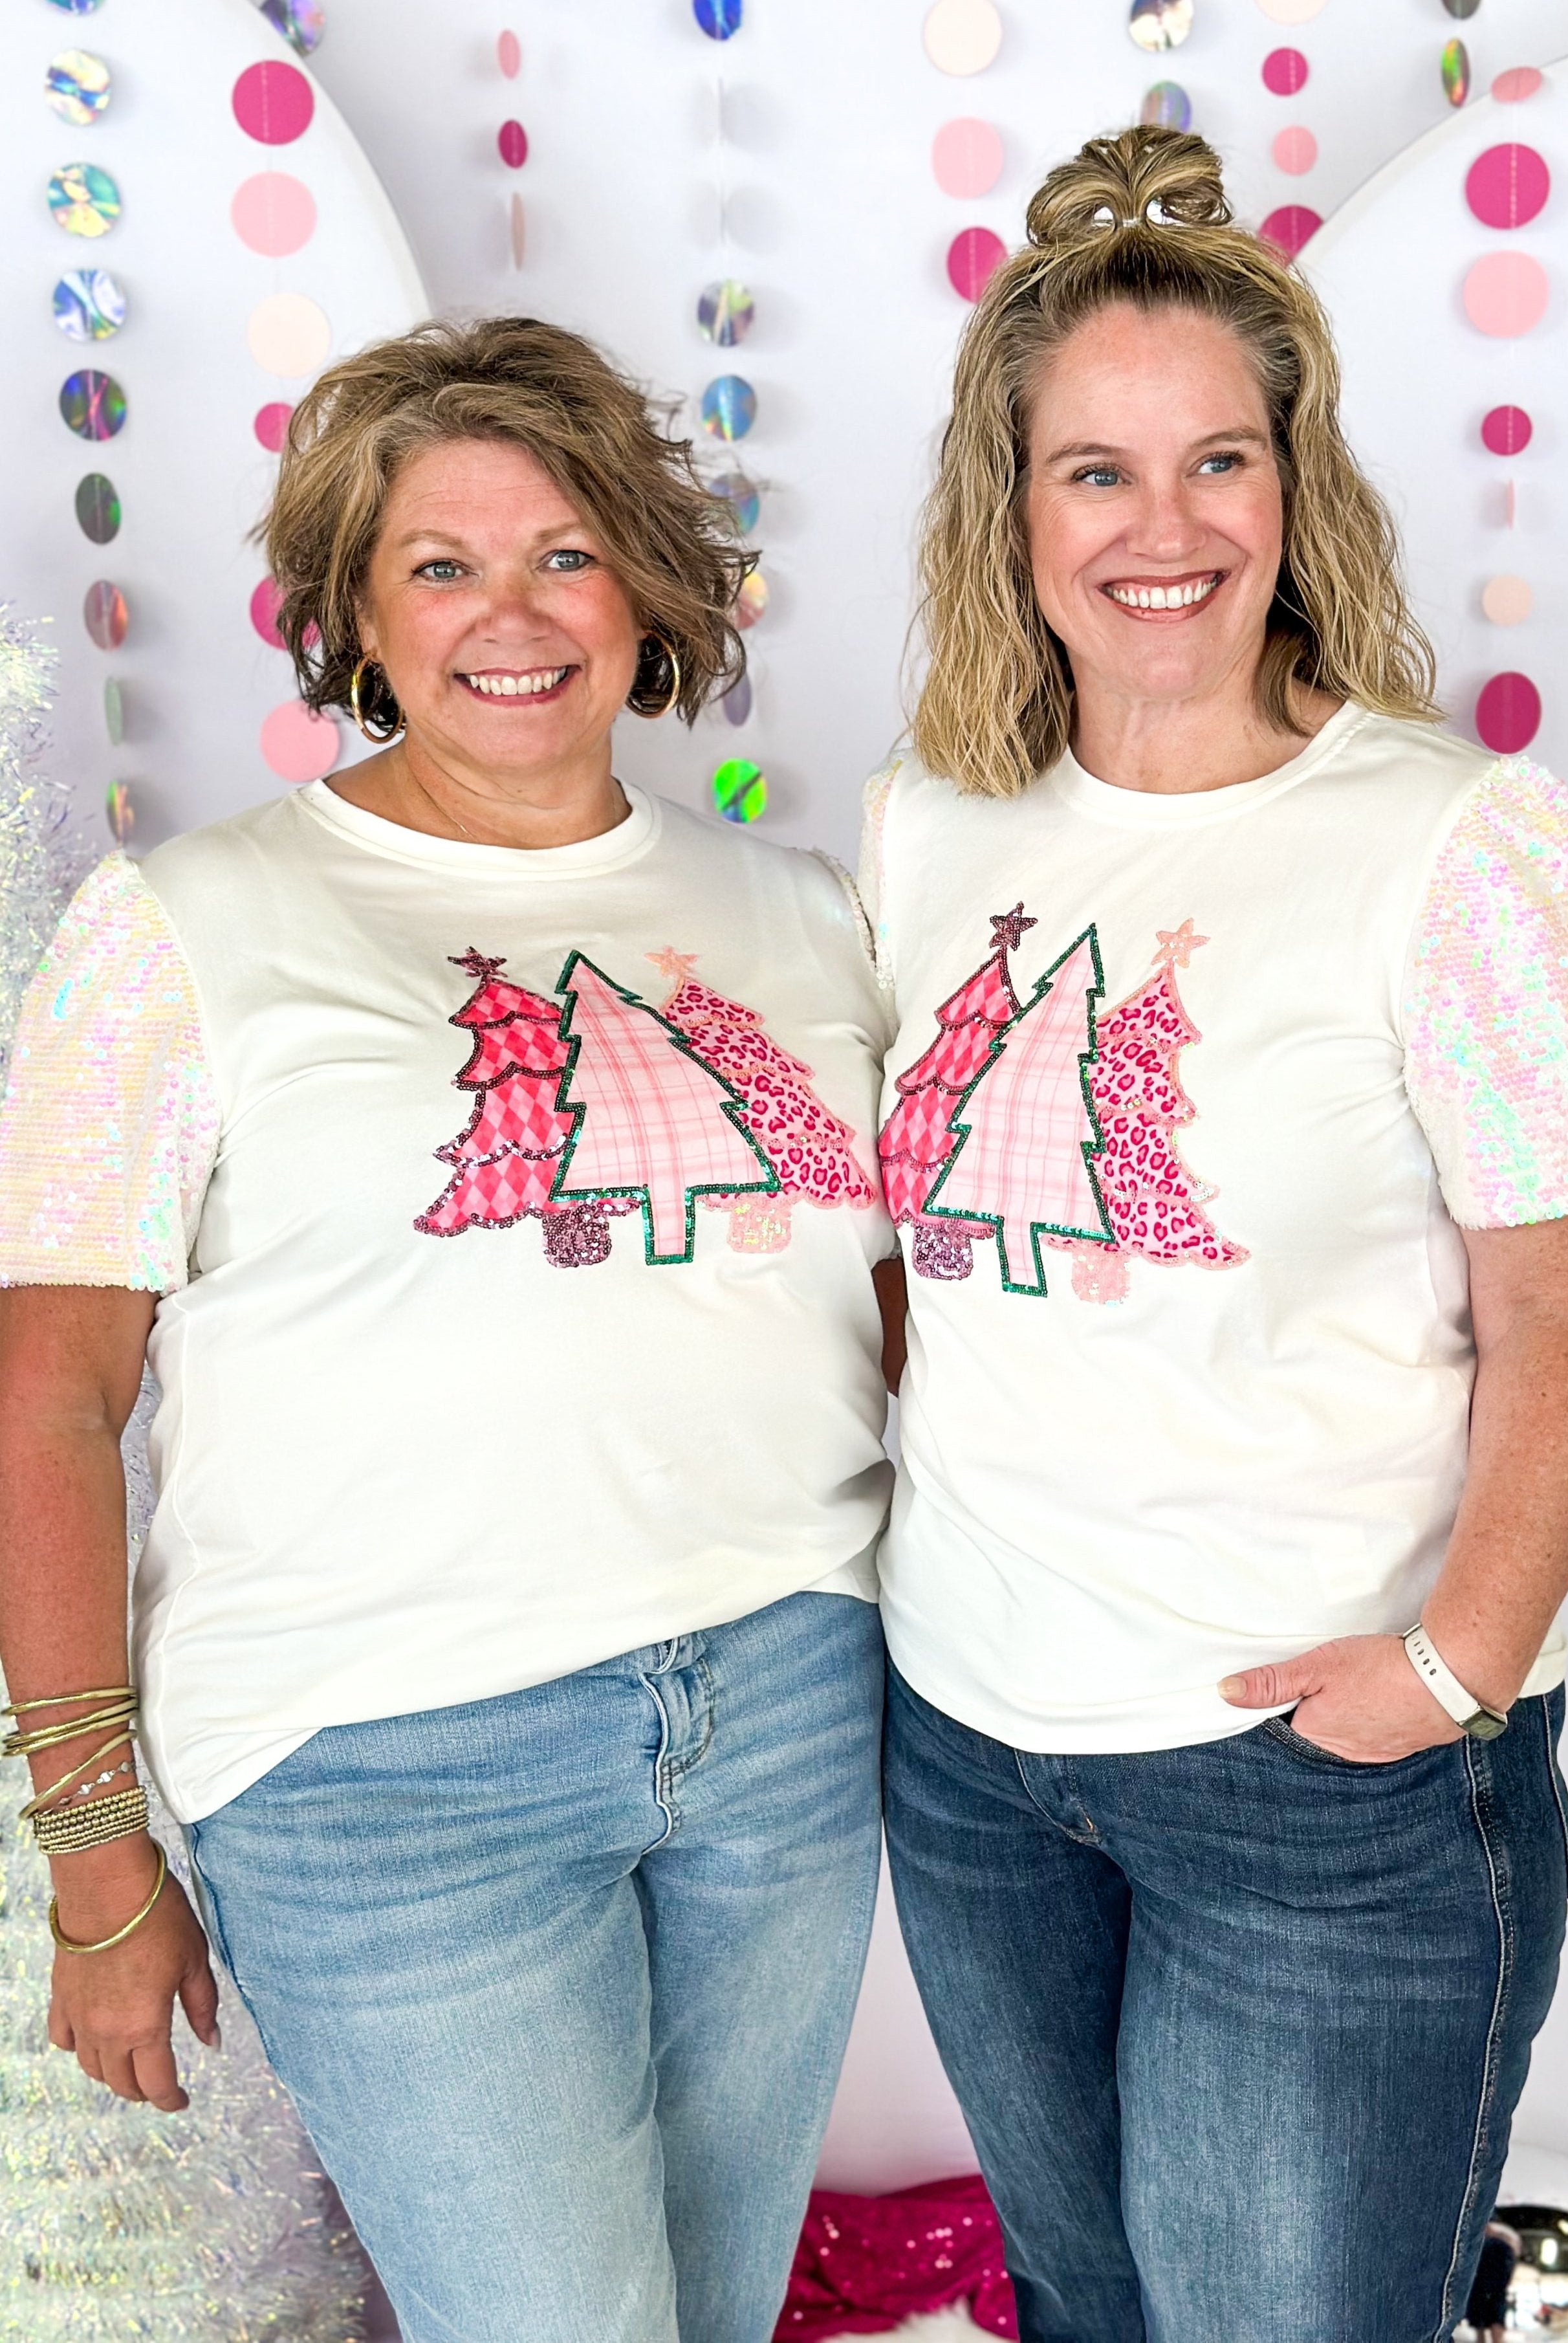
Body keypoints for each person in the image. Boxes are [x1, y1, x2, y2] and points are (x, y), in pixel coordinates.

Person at [0, 316, 900, 2343]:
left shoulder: (807, 913)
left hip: (780, 1707)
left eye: (567, 554)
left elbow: (901, 1324)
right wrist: (89, 1851)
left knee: (710, 2308)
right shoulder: (181, 932)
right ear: (350, 615)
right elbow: (49, 1406)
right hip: (382, 1767)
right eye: (439, 564)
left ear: (652, 592)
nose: (513, 614)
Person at [862, 129, 1568, 2341]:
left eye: (1219, 459)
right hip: (969, 1749)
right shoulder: (924, 826)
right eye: (1094, 473)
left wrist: (1445, 1673)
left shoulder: (1460, 843)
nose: (1163, 528)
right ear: (1008, 513)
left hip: (1314, 1792)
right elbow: (894, 1273)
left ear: (1294, 493)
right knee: (1085, 2307)